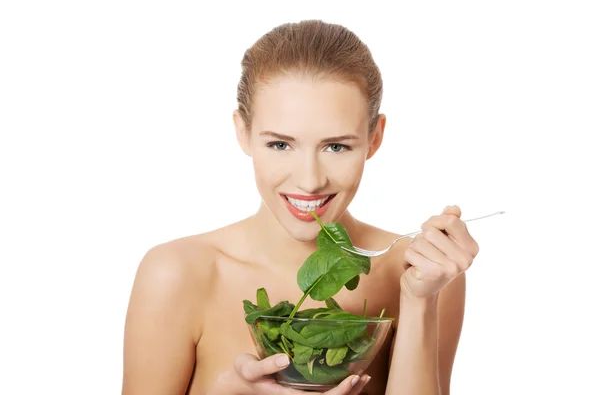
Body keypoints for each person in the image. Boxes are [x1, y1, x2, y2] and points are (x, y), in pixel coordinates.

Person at [121, 19, 480, 395]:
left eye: (336, 146)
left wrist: (420, 302)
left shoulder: (423, 271)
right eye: (280, 144)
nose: (309, 181)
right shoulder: (176, 274)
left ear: (374, 138)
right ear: (242, 131)